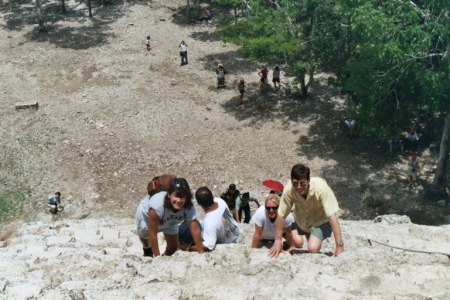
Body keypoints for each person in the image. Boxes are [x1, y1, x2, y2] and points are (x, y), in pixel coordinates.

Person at [268, 163, 345, 258]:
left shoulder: (321, 188)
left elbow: (332, 216)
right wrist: (277, 241)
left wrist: (339, 245)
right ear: (291, 181)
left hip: (320, 221)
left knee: (312, 249)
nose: (299, 187)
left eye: (302, 184)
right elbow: (281, 214)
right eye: (295, 184)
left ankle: (314, 239)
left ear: (308, 180)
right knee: (300, 241)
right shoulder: (289, 190)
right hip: (302, 221)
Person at [135, 178, 203, 257]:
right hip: (146, 218)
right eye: (176, 196)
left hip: (170, 220)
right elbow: (152, 234)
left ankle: (165, 257)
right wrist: (157, 258)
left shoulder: (188, 206)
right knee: (145, 237)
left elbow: (194, 228)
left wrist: (201, 252)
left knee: (173, 247)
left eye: (182, 197)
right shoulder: (157, 206)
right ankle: (147, 249)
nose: (179, 200)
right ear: (169, 194)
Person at [179, 186, 240, 252]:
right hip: (234, 232)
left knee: (186, 229)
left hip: (227, 242)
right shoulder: (220, 201)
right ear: (212, 196)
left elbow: (208, 246)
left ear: (199, 204)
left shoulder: (209, 222)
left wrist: (188, 248)